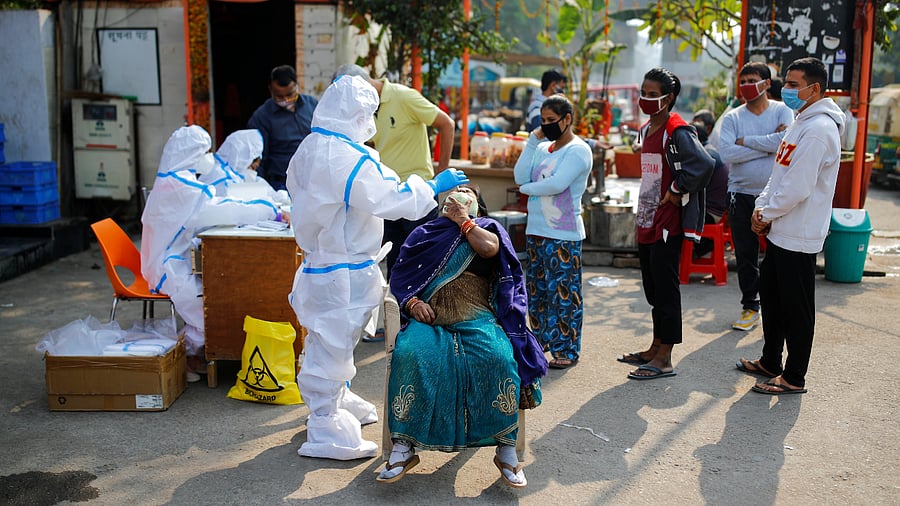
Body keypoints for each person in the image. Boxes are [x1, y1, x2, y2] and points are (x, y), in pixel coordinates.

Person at [285, 74, 469, 460]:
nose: (370, 119)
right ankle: (323, 421)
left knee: (336, 340)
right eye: (368, 112)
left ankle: (337, 395)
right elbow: (390, 197)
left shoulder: (312, 147)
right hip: (341, 269)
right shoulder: (345, 156)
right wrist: (432, 185)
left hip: (332, 264)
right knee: (331, 342)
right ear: (356, 113)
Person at [378, 185, 548, 487]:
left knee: (498, 357)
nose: (459, 191)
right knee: (410, 354)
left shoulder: (487, 228)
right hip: (431, 318)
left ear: (477, 206)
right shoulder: (424, 234)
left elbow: (489, 250)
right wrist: (413, 302)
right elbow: (401, 277)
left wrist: (464, 221)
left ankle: (506, 450)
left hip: (477, 315)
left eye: (467, 190)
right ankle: (404, 447)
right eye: (454, 190)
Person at [141, 125, 285, 381]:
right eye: (204, 151)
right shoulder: (180, 187)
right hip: (169, 267)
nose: (210, 156)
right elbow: (221, 209)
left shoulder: (175, 181)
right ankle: (180, 360)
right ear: (190, 153)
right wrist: (266, 209)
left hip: (175, 259)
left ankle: (193, 356)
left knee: (214, 301)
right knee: (210, 313)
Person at [738, 57, 845, 395]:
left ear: (815, 89)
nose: (787, 89)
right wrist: (761, 208)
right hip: (780, 227)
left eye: (795, 84)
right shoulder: (801, 122)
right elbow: (779, 174)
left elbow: (798, 187)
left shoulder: (819, 130)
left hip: (799, 233)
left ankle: (794, 376)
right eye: (786, 82)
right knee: (772, 298)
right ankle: (771, 361)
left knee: (797, 309)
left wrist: (766, 214)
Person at [617, 68, 715, 380]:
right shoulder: (648, 128)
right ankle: (655, 346)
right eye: (642, 92)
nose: (644, 98)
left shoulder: (678, 130)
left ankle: (665, 358)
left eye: (650, 93)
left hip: (667, 222)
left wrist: (675, 192)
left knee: (666, 288)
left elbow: (704, 165)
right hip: (647, 217)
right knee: (652, 287)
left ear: (668, 98)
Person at [333, 64, 456, 281]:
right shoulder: (366, 108)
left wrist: (441, 174)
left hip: (420, 192)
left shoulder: (403, 96)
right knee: (395, 262)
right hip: (389, 194)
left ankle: (420, 314)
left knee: (422, 262)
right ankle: (396, 313)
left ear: (364, 84)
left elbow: (446, 124)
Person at [513, 95, 592, 369]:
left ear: (567, 119)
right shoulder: (544, 147)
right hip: (536, 230)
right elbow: (519, 175)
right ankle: (541, 342)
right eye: (542, 120)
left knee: (564, 294)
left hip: (564, 235)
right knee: (538, 293)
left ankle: (567, 349)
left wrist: (526, 190)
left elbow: (557, 184)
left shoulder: (578, 150)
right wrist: (533, 140)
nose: (546, 125)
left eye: (551, 120)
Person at [717, 62, 794, 331]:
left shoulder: (783, 110)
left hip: (776, 196)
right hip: (741, 195)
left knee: (779, 253)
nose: (747, 85)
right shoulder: (733, 118)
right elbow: (726, 153)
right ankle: (750, 306)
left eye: (752, 80)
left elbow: (786, 142)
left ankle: (778, 307)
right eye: (743, 81)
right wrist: (768, 145)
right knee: (746, 255)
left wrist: (746, 141)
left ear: (766, 83)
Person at [247, 65, 318, 190]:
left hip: (314, 178)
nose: (285, 100)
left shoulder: (312, 105)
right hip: (282, 183)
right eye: (279, 96)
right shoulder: (262, 117)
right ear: (270, 90)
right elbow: (259, 157)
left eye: (290, 95)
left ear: (297, 86)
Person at [691, 109, 729, 258]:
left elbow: (690, 185)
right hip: (716, 210)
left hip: (711, 214)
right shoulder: (709, 150)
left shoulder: (706, 155)